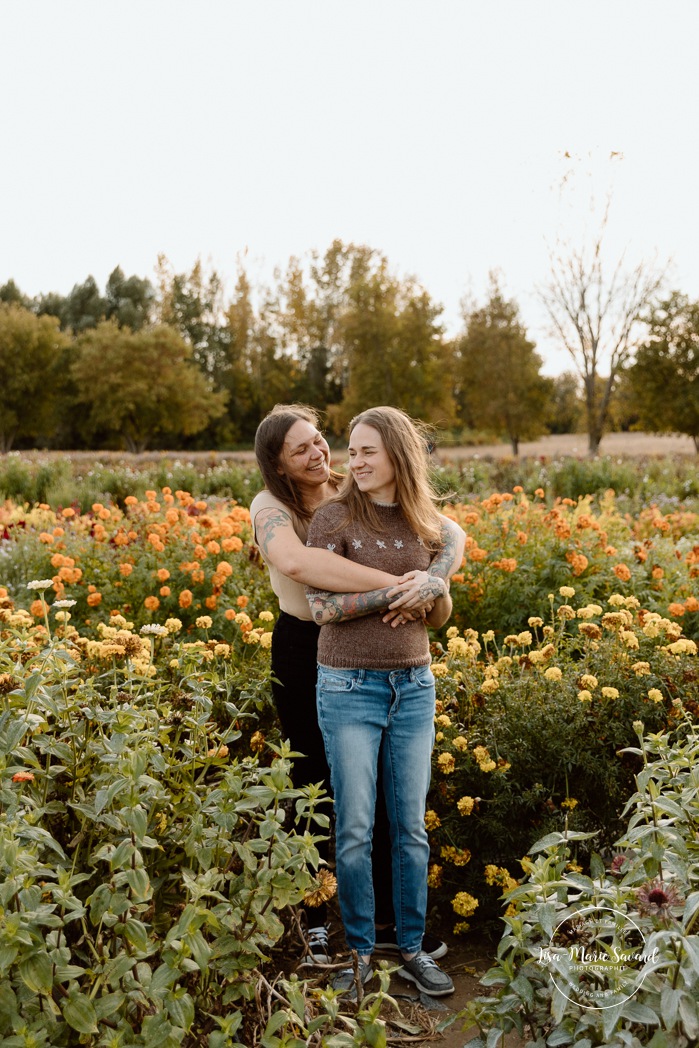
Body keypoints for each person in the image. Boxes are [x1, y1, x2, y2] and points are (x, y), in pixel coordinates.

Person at [250, 404, 464, 967]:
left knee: (386, 796)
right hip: (304, 646)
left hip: (381, 651)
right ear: (277, 464)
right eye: (301, 449)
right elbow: (301, 567)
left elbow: (448, 530)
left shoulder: (356, 484)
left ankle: (392, 922)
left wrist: (433, 579)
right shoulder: (271, 507)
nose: (319, 453)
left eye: (319, 441)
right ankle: (316, 919)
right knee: (314, 782)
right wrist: (404, 586)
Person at [305, 406, 459, 998]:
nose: (355, 460)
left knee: (411, 828)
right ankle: (362, 955)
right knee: (355, 827)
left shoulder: (425, 523)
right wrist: (394, 591)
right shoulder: (333, 516)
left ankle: (413, 949)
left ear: (398, 453)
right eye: (352, 449)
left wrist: (436, 584)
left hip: (414, 684)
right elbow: (321, 608)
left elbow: (440, 606)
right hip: (348, 686)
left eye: (368, 450)